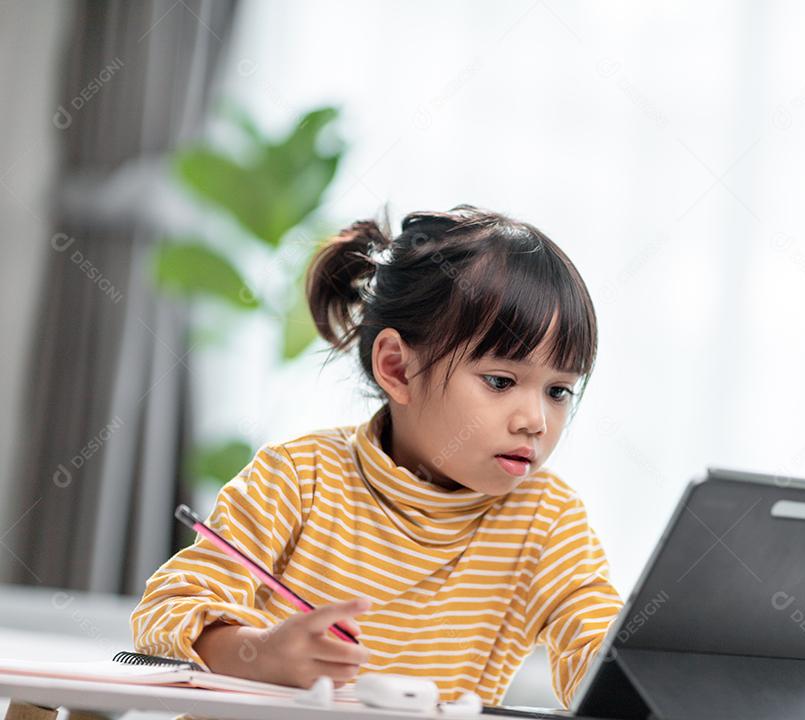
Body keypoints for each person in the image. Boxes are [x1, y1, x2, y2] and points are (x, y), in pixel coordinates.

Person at [130, 204, 623, 708]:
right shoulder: (300, 478)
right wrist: (262, 653)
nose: (535, 420)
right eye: (500, 381)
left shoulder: (547, 518)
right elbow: (164, 615)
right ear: (397, 368)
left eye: (559, 391)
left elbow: (603, 657)